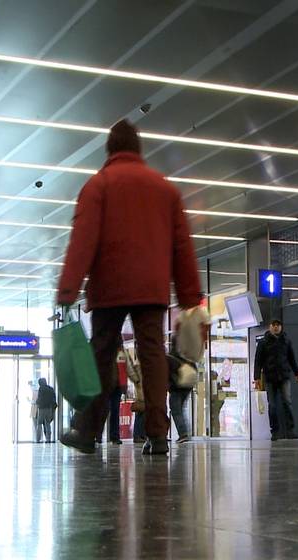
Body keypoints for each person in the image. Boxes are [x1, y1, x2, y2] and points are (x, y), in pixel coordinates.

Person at [57, 119, 201, 456]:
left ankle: (88, 429)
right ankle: (158, 434)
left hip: (109, 285)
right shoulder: (166, 189)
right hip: (151, 287)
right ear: (139, 148)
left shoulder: (98, 185)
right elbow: (183, 247)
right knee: (152, 355)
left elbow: (82, 241)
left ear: (109, 148)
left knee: (101, 354)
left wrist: (67, 291)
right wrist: (191, 297)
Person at [254, 320, 298, 441]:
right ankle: (274, 431)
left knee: (287, 402)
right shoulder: (263, 343)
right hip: (270, 377)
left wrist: (297, 372)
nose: (276, 327)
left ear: (281, 327)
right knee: (272, 405)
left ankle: (290, 430)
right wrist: (257, 377)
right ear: (270, 327)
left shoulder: (286, 341)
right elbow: (258, 361)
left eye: (278, 325)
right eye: (273, 325)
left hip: (284, 376)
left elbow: (291, 358)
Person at [35, 378, 57, 443]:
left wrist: (36, 402)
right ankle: (48, 439)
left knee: (39, 424)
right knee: (48, 424)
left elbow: (39, 399)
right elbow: (54, 399)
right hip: (49, 408)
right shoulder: (51, 389)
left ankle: (38, 439)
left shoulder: (41, 389)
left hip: (42, 409)